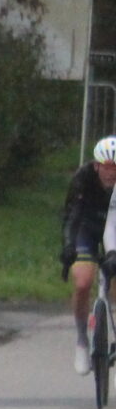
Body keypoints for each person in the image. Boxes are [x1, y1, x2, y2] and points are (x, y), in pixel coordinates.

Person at [63, 138, 116, 373]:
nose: (111, 172)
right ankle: (82, 340)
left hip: (114, 228)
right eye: (106, 166)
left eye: (115, 167)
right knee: (83, 282)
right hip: (87, 228)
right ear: (96, 166)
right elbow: (72, 215)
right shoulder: (83, 178)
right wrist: (68, 245)